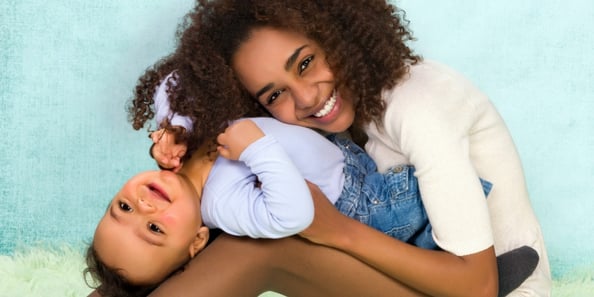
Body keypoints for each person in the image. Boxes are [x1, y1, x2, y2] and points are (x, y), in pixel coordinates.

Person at [90, 0, 550, 296]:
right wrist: (182, 128)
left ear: (337, 32)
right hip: (405, 260)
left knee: (259, 247)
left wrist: (334, 230)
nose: (307, 98)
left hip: (481, 286)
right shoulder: (336, 111)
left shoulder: (421, 108)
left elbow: (477, 286)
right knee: (243, 223)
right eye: (274, 95)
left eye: (306, 62)